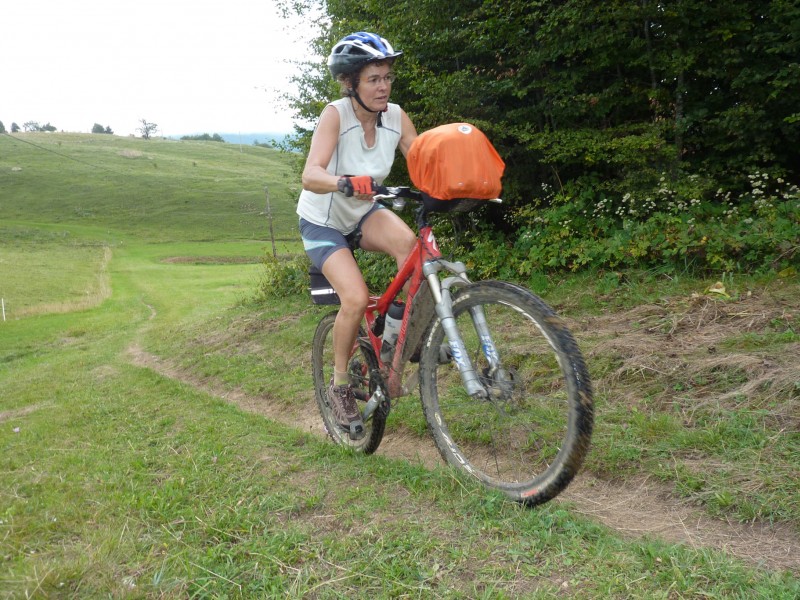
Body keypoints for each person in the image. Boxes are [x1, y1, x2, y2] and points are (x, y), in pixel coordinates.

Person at [297, 32, 418, 440]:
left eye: (387, 78)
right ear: (351, 83)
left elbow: (422, 163)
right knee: (353, 296)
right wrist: (343, 182)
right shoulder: (336, 115)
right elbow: (310, 175)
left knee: (413, 251)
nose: (383, 86)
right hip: (323, 221)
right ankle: (340, 385)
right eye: (373, 79)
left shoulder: (397, 117)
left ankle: (393, 350)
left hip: (363, 212)